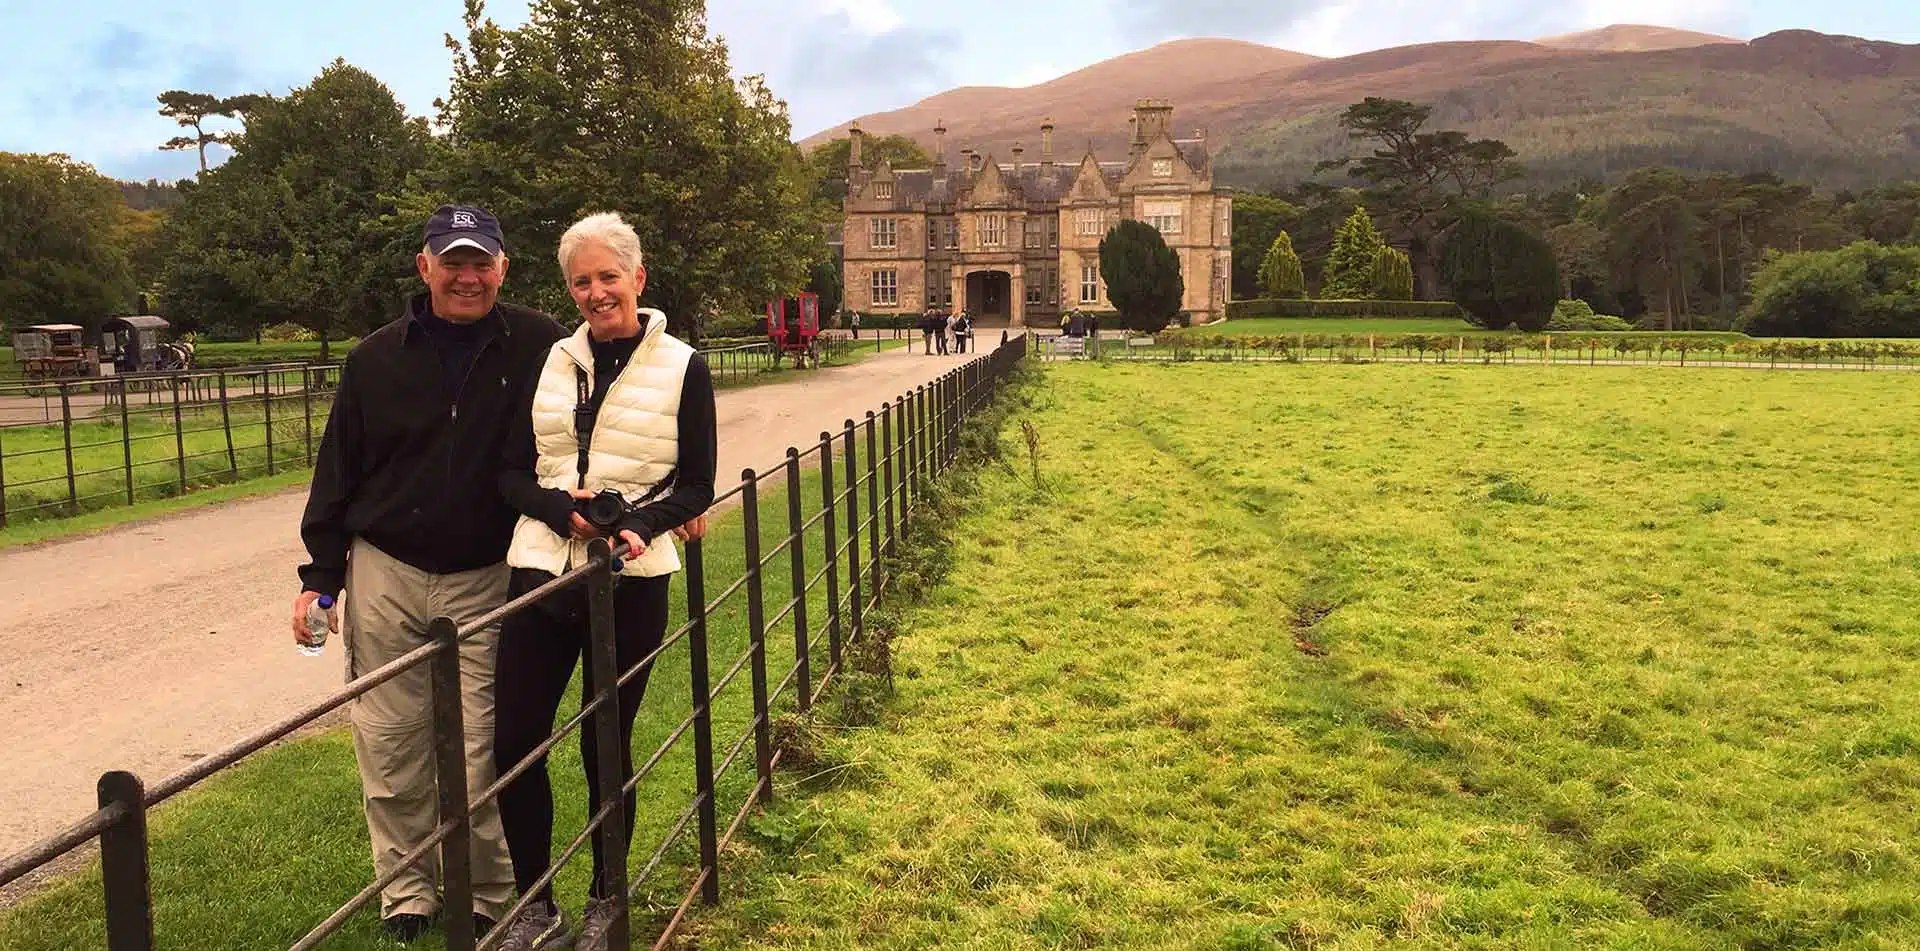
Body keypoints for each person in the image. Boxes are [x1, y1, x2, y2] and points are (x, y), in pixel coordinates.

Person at [294, 205, 567, 940]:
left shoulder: (541, 343)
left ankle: (486, 886)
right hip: (387, 565)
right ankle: (407, 890)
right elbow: (337, 472)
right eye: (453, 261)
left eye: (482, 262)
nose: (468, 276)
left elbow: (608, 402)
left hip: (488, 568)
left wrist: (670, 494)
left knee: (482, 739)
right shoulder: (375, 357)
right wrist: (321, 575)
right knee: (390, 736)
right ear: (425, 267)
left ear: (504, 268)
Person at [490, 211, 717, 951]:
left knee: (605, 740)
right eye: (581, 281)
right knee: (515, 739)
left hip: (632, 574)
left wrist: (641, 524)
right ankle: (534, 903)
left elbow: (696, 485)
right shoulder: (551, 360)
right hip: (540, 567)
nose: (595, 292)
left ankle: (604, 897)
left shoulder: (684, 365)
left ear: (638, 279)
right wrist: (563, 509)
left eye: (608, 277)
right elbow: (509, 472)